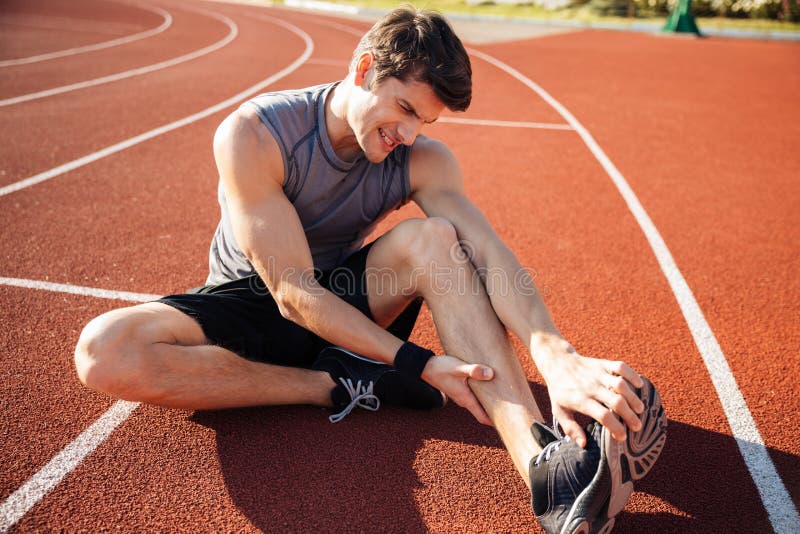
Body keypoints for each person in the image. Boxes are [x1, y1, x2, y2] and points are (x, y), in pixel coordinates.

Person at [73, 7, 666, 533]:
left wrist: (554, 352)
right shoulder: (257, 134)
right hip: (253, 297)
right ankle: (336, 384)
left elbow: (487, 251)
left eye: (423, 124)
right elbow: (291, 293)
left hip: (347, 297)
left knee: (436, 238)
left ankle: (546, 467)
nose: (406, 136)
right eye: (404, 109)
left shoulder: (419, 158)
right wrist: (416, 362)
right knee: (104, 352)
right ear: (363, 69)